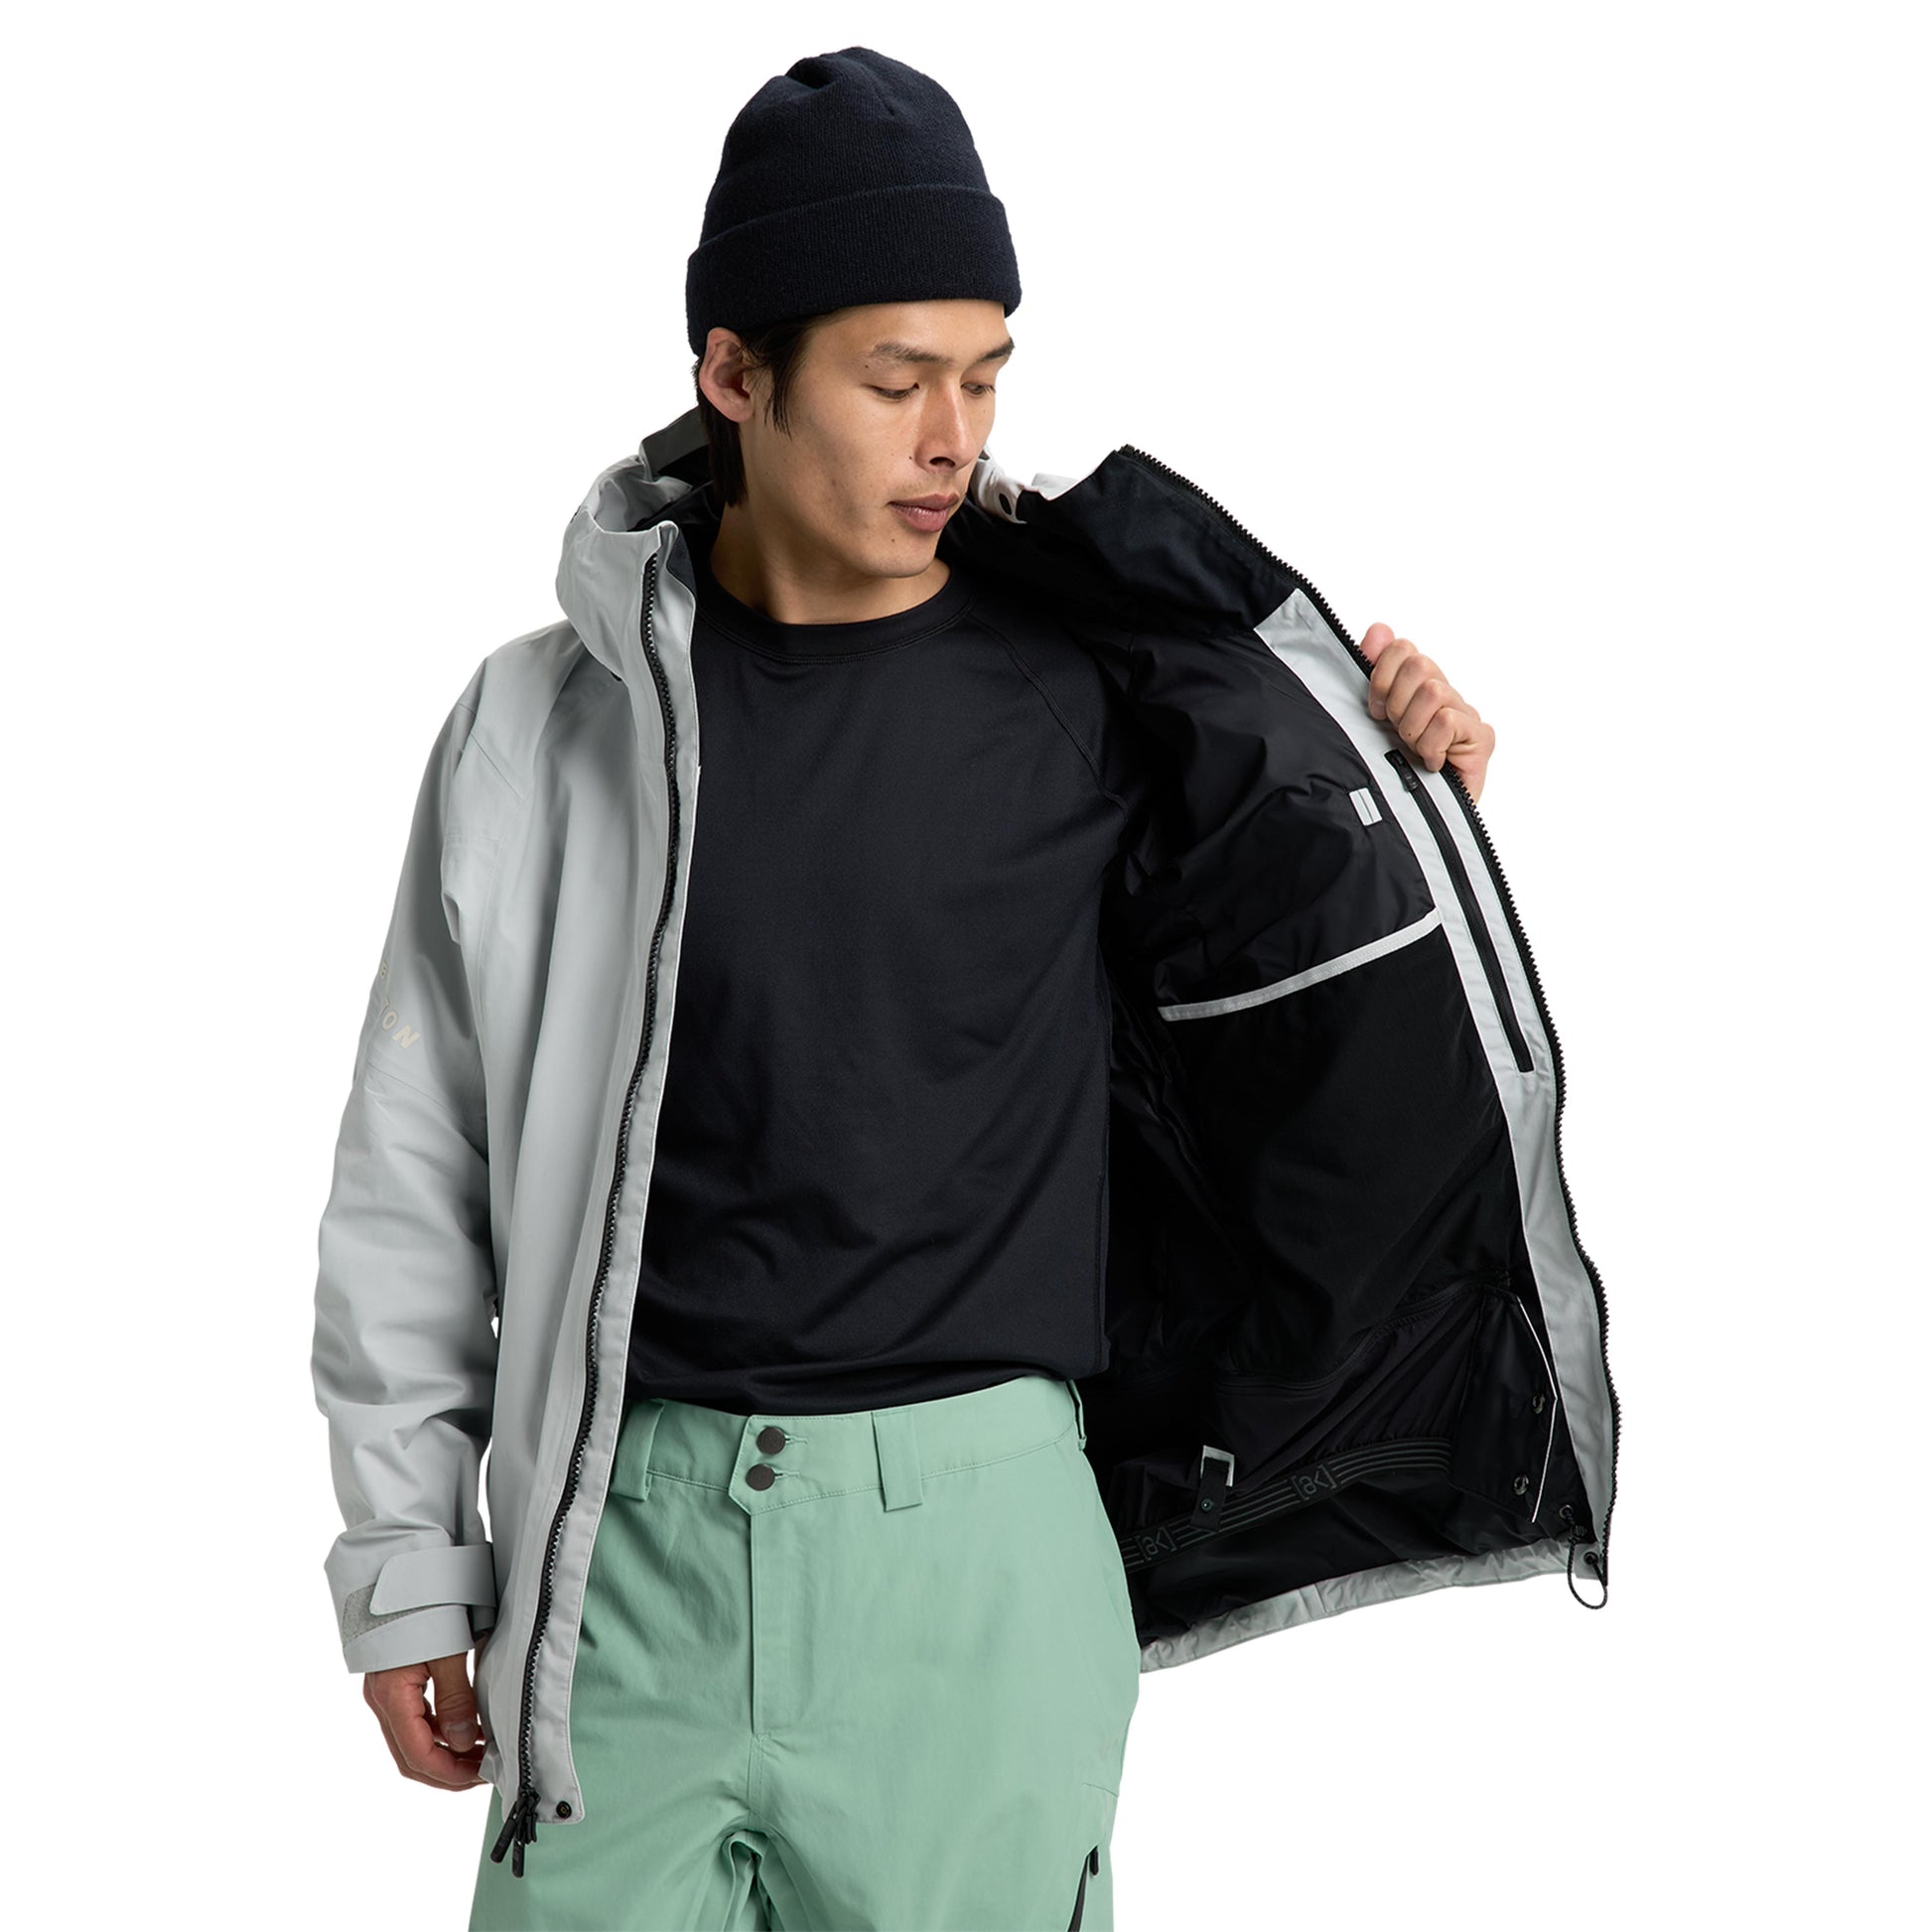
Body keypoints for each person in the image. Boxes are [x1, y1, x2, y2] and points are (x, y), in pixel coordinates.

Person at [314, 46, 1516, 1932]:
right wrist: (405, 1561)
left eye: (985, 374)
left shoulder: (1101, 693)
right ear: (734, 373)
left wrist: (1396, 784)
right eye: (895, 380)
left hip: (977, 1553)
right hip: (619, 1554)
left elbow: (1306, 1015)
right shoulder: (547, 727)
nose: (953, 435)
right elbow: (416, 1162)